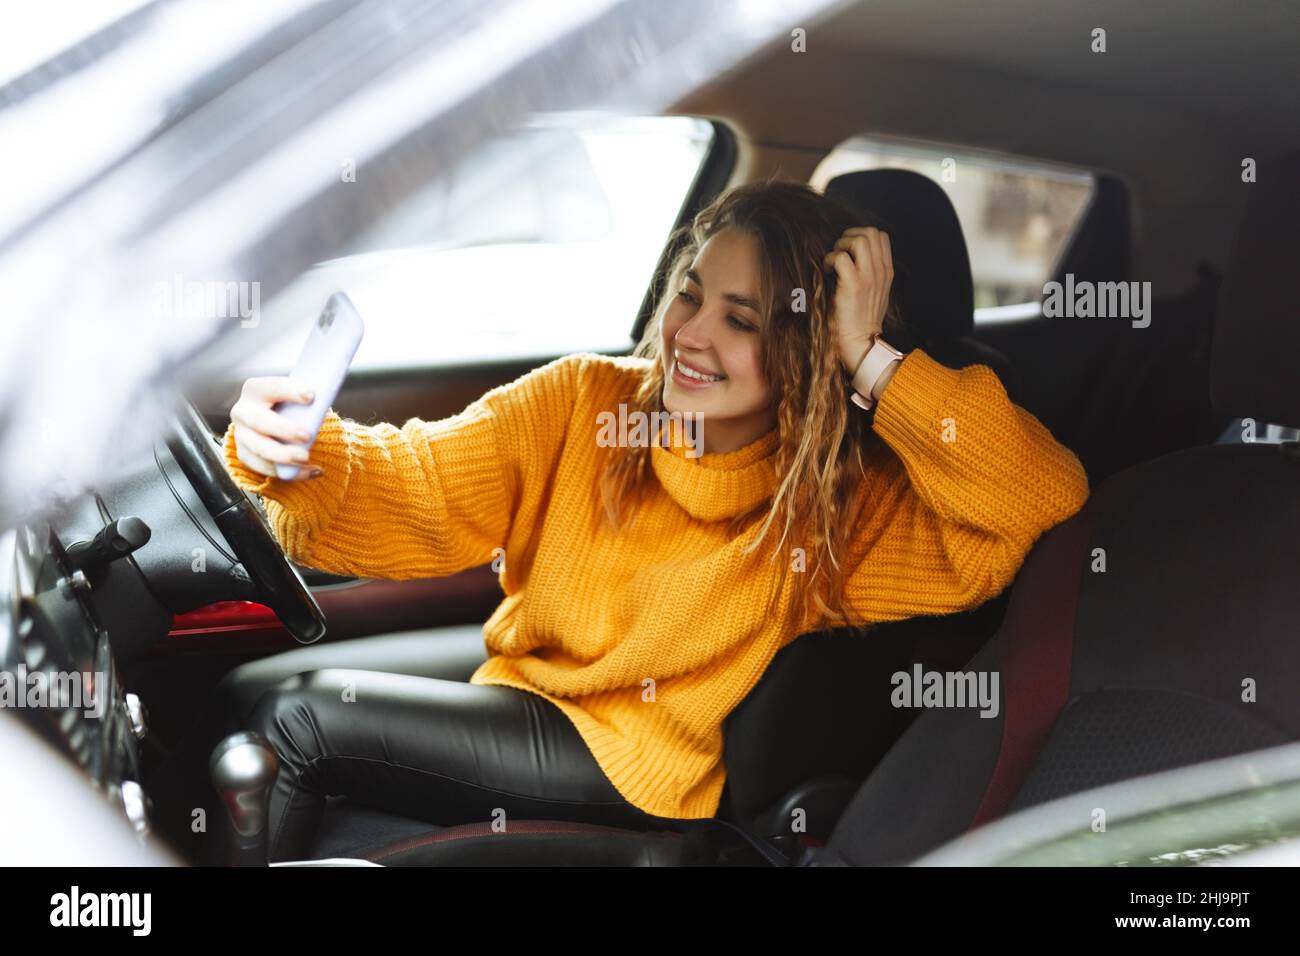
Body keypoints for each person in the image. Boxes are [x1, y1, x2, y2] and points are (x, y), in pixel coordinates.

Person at [157, 180, 1091, 863]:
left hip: (642, 757)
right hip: (529, 684)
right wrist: (307, 453)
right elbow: (424, 483)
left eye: (742, 319)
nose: (691, 333)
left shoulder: (839, 502)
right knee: (242, 690)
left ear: (807, 346)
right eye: (690, 294)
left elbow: (1038, 498)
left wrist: (874, 360)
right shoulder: (585, 401)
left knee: (299, 722)